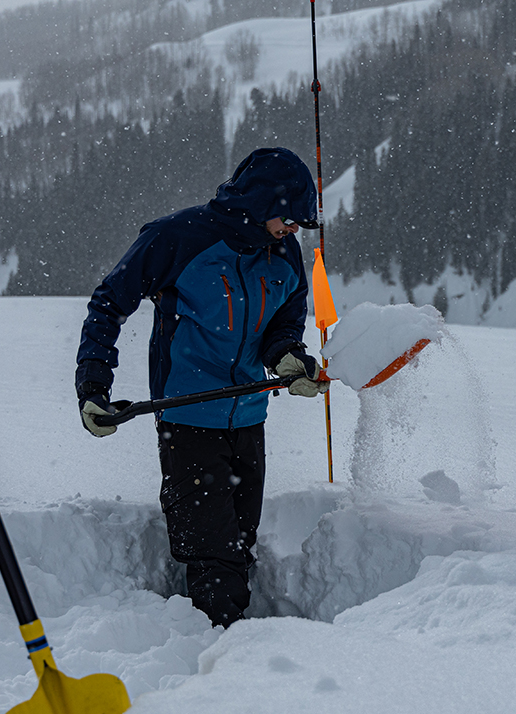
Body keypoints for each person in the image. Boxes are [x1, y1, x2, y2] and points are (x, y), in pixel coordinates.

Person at [75, 147, 329, 627]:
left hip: (249, 416)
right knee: (213, 557)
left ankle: (231, 642)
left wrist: (288, 357)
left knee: (238, 543)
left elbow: (285, 324)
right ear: (260, 203)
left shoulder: (285, 254)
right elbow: (109, 303)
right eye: (289, 218)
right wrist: (93, 383)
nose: (295, 228)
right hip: (187, 419)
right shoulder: (178, 238)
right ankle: (221, 656)